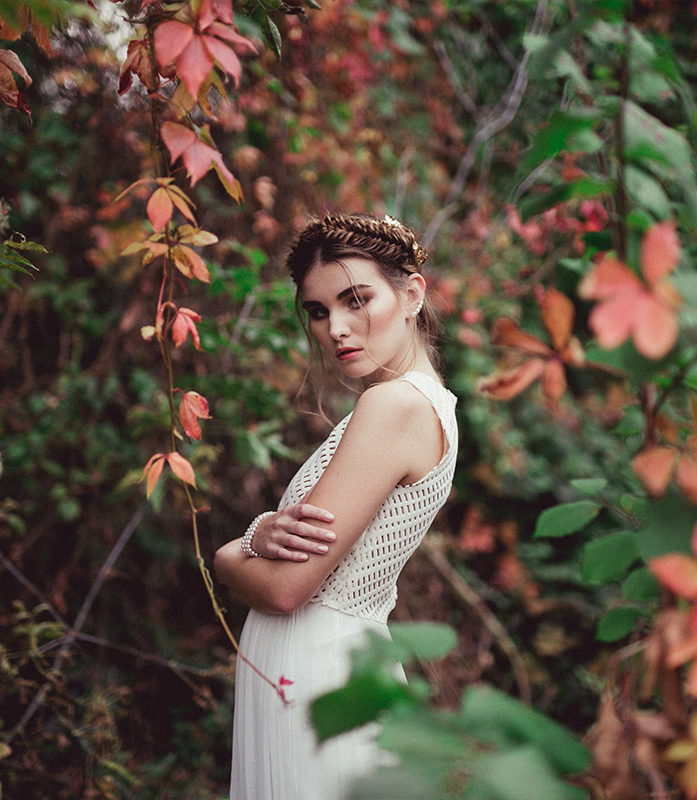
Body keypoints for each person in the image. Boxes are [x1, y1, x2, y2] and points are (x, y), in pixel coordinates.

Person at [214, 213, 458, 800]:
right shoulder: (419, 405)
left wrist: (232, 551)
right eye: (318, 311)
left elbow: (284, 589)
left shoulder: (395, 406)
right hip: (317, 667)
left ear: (412, 295)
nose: (336, 329)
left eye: (356, 300)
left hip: (321, 670)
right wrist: (261, 539)